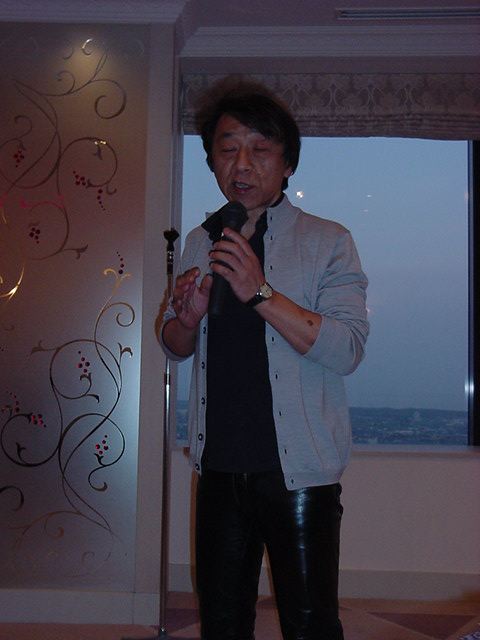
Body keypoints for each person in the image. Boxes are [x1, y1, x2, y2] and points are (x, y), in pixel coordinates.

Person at [158, 80, 369, 640]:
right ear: (212, 161)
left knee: (310, 624)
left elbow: (347, 348)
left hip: (299, 471)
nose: (243, 164)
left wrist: (260, 292)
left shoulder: (328, 241)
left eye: (261, 149)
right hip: (219, 466)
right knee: (222, 623)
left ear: (288, 164)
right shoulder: (201, 240)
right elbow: (174, 345)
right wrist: (187, 318)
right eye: (228, 149)